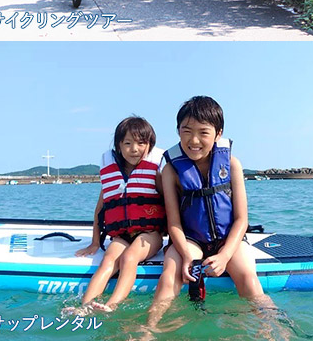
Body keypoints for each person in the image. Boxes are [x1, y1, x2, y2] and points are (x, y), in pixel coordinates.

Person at [146, 96, 274, 330]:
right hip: (191, 240)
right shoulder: (171, 170)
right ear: (178, 131)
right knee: (170, 274)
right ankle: (149, 328)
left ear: (218, 134)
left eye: (203, 132)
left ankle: (272, 331)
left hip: (228, 238)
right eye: (186, 131)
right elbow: (173, 223)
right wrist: (185, 254)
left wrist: (225, 256)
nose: (194, 140)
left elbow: (241, 219)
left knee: (247, 276)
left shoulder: (232, 164)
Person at [64, 117, 165, 314]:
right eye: (127, 143)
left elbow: (170, 204)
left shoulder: (156, 171)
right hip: (122, 234)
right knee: (108, 261)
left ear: (150, 145)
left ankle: (112, 304)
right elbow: (100, 211)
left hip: (150, 234)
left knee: (129, 258)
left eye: (141, 143)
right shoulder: (112, 173)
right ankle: (85, 306)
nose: (134, 149)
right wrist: (94, 243)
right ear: (118, 145)